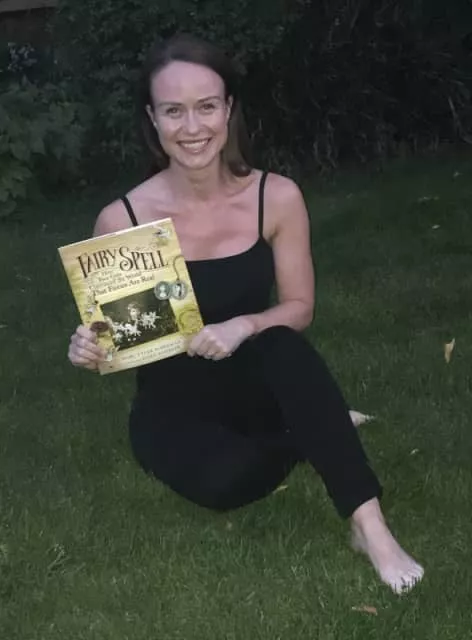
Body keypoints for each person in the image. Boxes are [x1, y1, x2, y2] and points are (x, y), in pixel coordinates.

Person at [68, 33, 424, 594]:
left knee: (283, 344)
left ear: (229, 109)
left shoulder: (275, 197)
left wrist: (246, 324)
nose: (192, 127)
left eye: (207, 106)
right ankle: (315, 427)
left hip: (257, 376)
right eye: (173, 111)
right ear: (153, 119)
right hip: (173, 403)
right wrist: (90, 346)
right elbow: (120, 335)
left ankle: (370, 527)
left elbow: (300, 308)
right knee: (228, 486)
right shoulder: (123, 219)